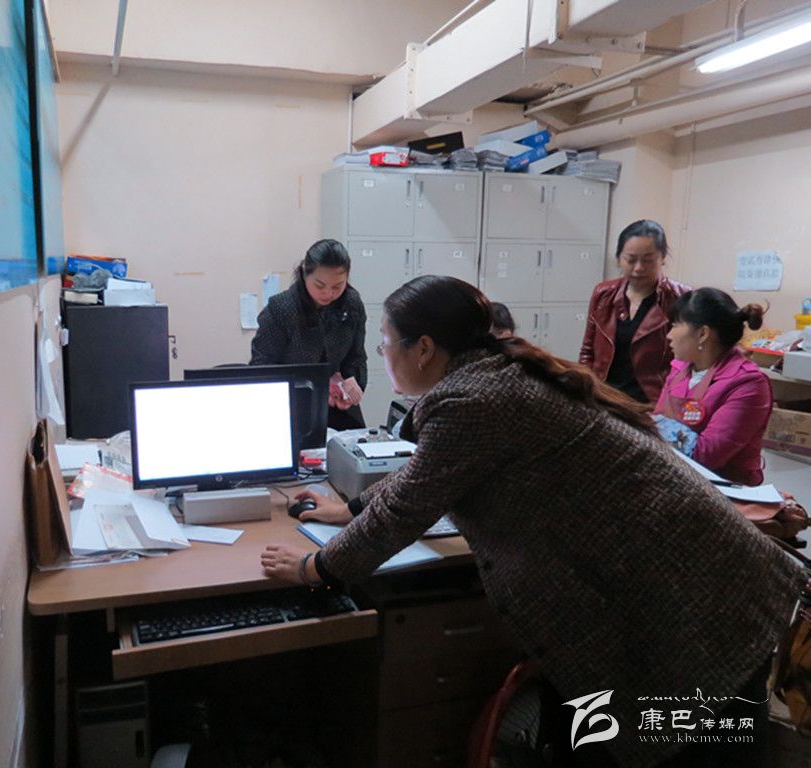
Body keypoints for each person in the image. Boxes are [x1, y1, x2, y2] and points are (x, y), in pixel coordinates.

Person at [260, 275, 801, 768]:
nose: (381, 354)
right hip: (685, 587)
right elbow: (426, 478)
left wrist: (315, 568)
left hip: (700, 603)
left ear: (423, 348)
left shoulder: (470, 399)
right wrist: (349, 509)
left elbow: (405, 510)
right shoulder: (494, 375)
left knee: (692, 751)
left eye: (384, 342)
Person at [653, 288, 772, 486]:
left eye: (675, 326)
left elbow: (705, 454)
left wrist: (651, 425)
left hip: (723, 489)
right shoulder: (680, 369)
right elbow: (655, 423)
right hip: (675, 477)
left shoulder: (749, 383)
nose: (669, 335)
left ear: (702, 334)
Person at [250, 239, 367, 430]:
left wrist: (351, 382)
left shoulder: (351, 304)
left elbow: (356, 356)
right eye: (320, 285)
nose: (328, 293)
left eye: (337, 286)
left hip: (338, 408)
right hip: (292, 406)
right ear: (305, 273)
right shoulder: (281, 309)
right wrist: (317, 386)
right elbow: (262, 368)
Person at [579, 220, 690, 403]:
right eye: (630, 259)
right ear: (619, 258)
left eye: (648, 260)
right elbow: (588, 351)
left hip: (653, 402)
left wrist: (670, 403)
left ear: (662, 257)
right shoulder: (603, 293)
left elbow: (688, 360)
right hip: (604, 397)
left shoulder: (680, 297)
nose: (639, 268)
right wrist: (585, 391)